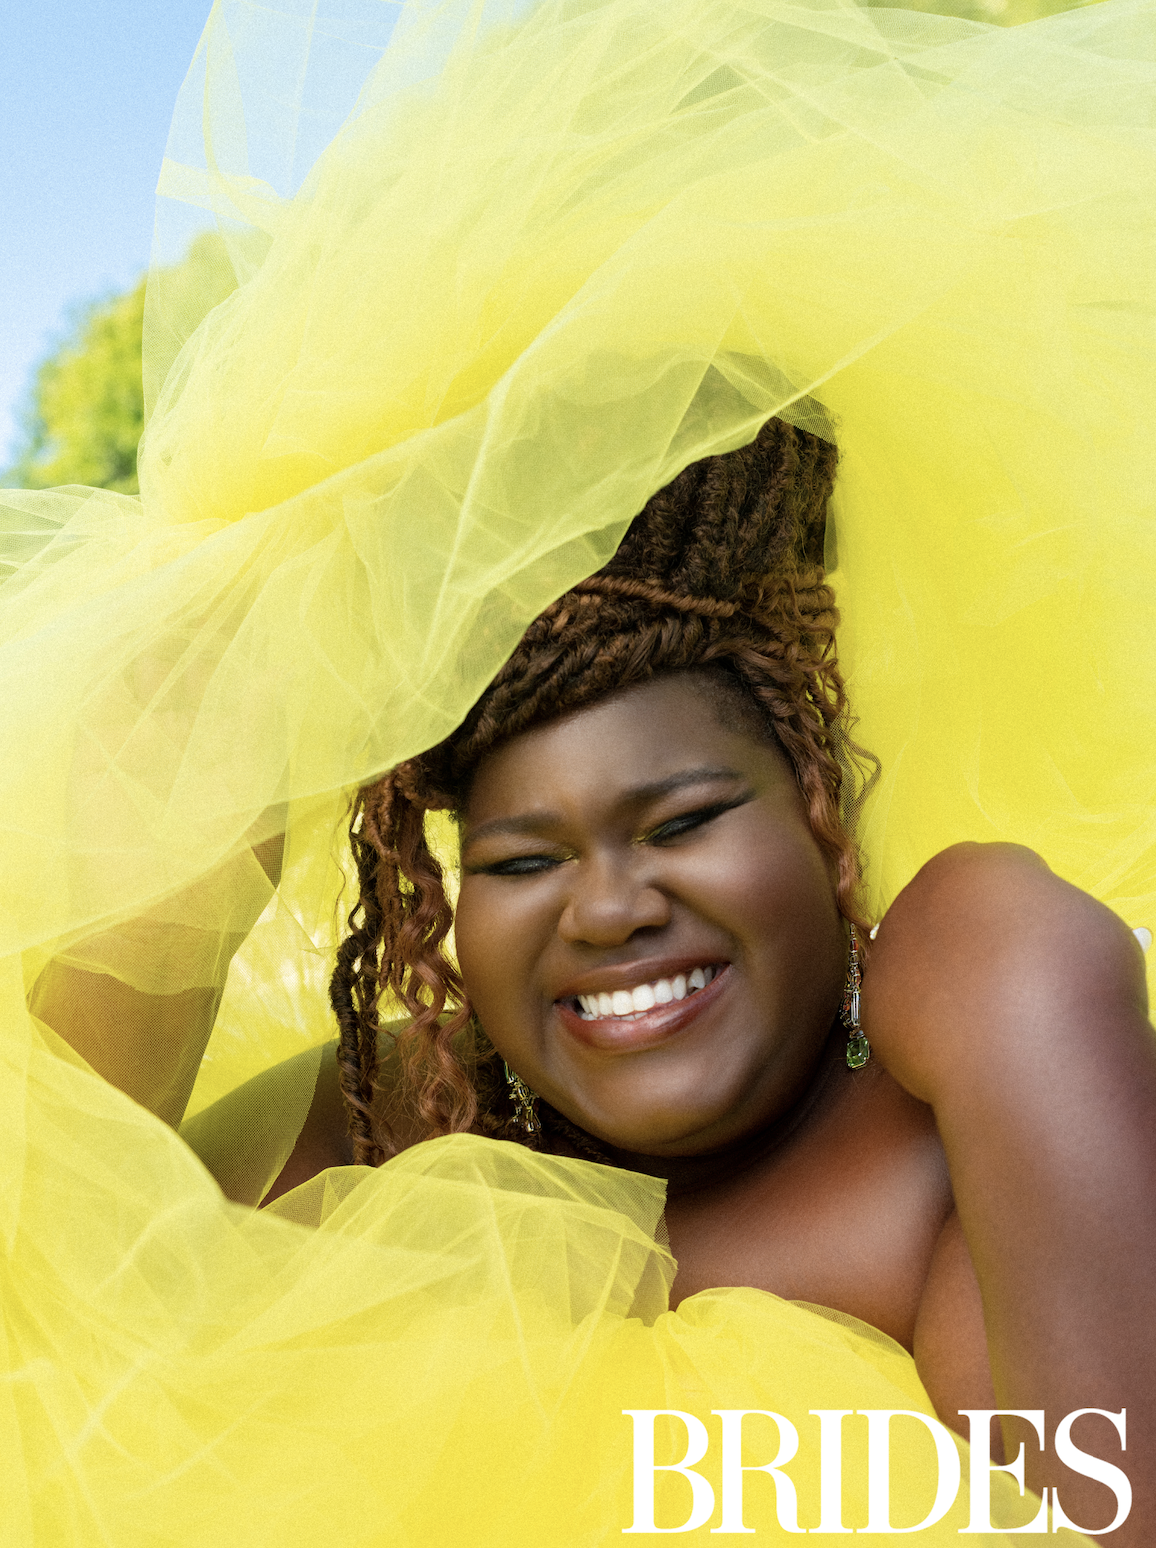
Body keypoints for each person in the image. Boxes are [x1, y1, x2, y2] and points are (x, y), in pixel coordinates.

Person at [4, 0, 1156, 1542]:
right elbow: (60, 1331)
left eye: (682, 817)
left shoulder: (938, 1157)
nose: (607, 906)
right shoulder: (399, 1122)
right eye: (523, 859)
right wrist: (181, 897)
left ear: (823, 809)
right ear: (444, 901)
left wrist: (1022, 986)